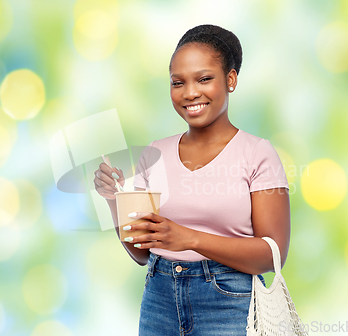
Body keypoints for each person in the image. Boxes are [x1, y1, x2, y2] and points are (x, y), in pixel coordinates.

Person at [94, 24, 290, 336]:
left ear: (230, 79)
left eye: (204, 79)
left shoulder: (257, 153)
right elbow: (142, 253)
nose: (189, 93)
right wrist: (113, 200)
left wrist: (189, 238)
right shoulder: (155, 153)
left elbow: (272, 254)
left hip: (230, 301)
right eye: (177, 82)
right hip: (159, 300)